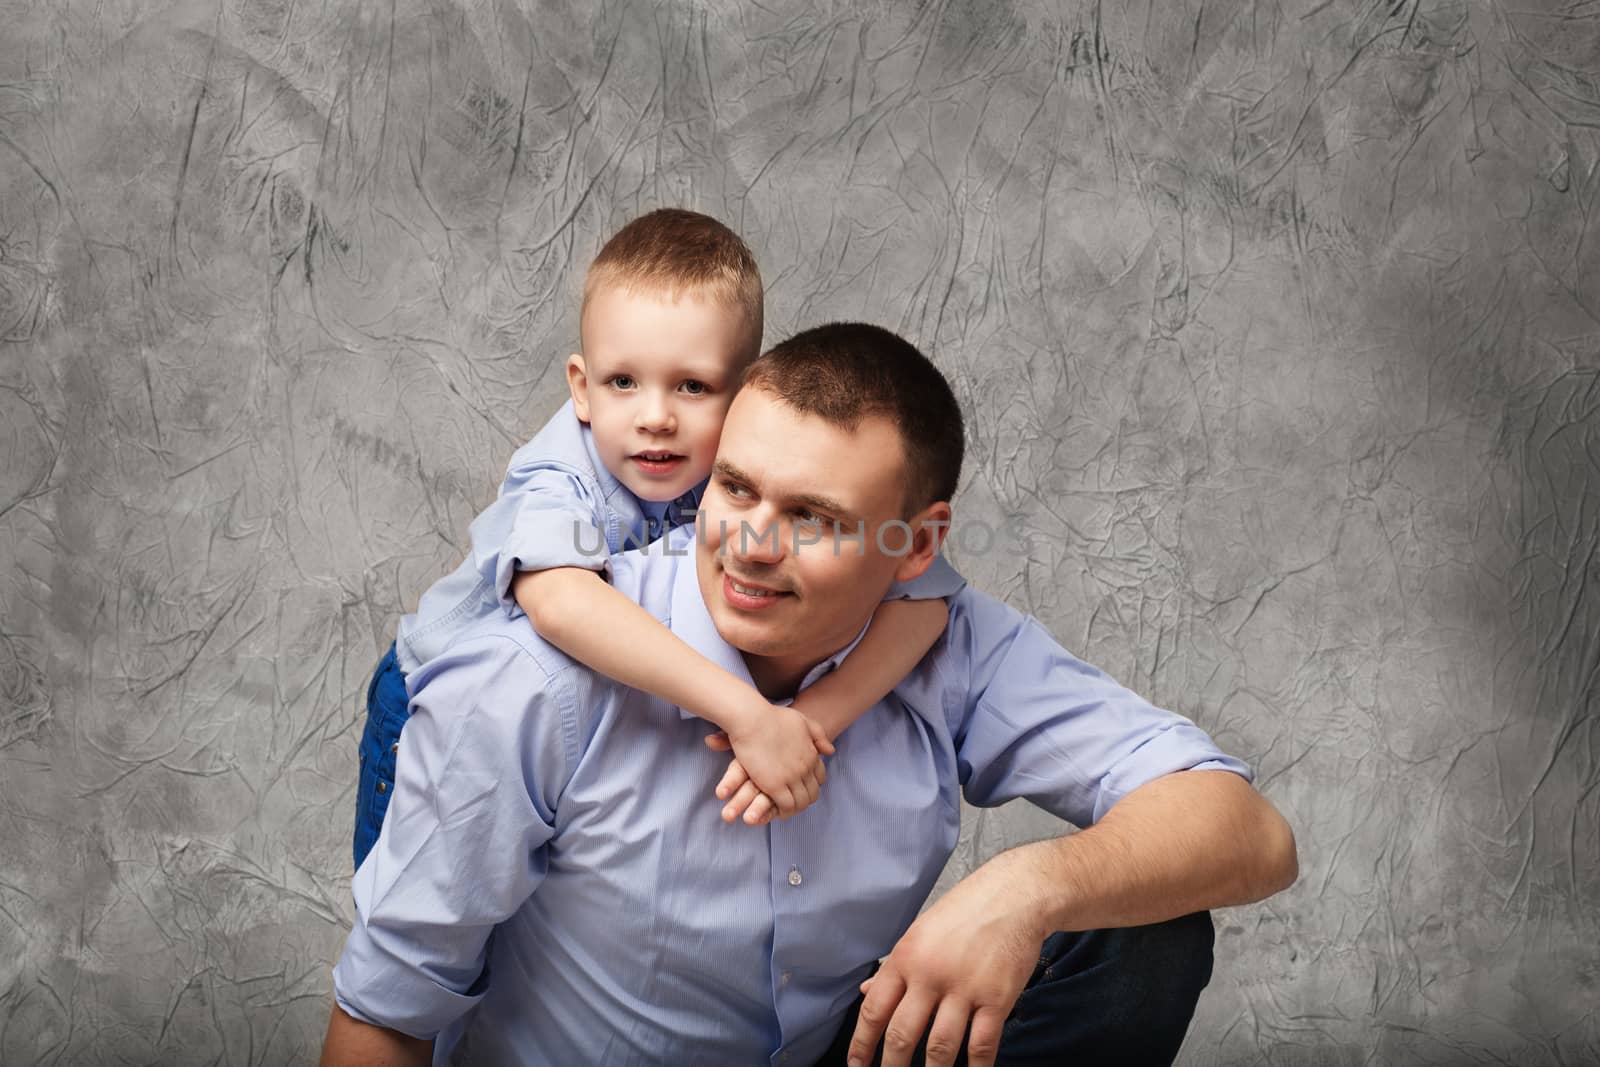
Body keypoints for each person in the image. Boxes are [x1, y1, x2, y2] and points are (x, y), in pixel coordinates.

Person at [321, 323, 1299, 1067]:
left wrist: (1023, 887)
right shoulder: (541, 675)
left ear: (913, 544)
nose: (750, 542)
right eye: (736, 489)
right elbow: (387, 1004)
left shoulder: (952, 642)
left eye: (813, 517)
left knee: (1143, 933)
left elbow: (1249, 832)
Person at [353, 210, 959, 868]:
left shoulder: (749, 464)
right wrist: (750, 715)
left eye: (693, 386)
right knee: (427, 881)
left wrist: (811, 721)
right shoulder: (559, 475)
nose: (656, 418)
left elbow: (923, 600)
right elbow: (560, 604)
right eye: (622, 382)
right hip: (434, 701)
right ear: (582, 389)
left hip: (574, 718)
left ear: (750, 391)